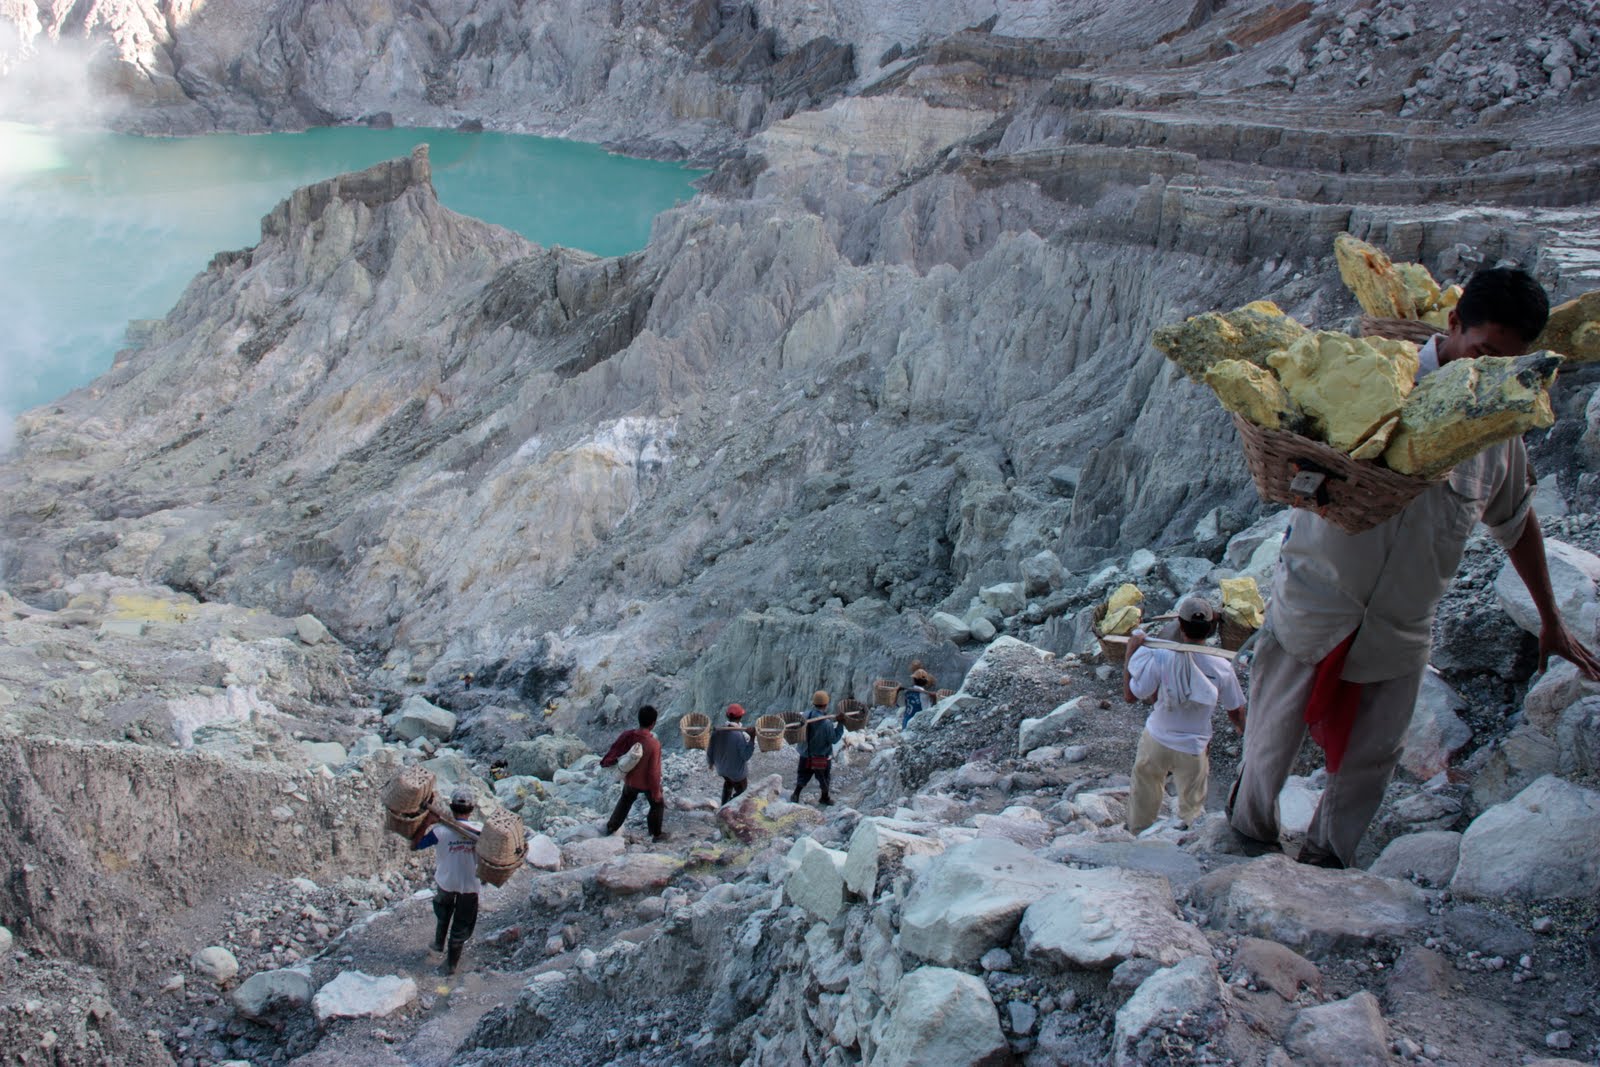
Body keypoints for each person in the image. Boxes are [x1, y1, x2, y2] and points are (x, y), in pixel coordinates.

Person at [1228, 266, 1600, 868]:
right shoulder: (1369, 376)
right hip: (1317, 598)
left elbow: (1516, 523)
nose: (1485, 373)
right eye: (1481, 352)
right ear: (1453, 325)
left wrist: (1551, 619)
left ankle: (1327, 862)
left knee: (1372, 756)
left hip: (1400, 623)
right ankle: (1247, 836)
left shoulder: (1497, 431)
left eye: (1504, 363)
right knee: (1272, 734)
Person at [1122, 596, 1245, 835]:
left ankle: (1138, 834)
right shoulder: (1221, 666)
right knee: (1192, 806)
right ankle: (1190, 840)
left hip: (1156, 739)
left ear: (1179, 624)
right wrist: (1246, 731)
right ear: (1211, 629)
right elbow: (1236, 710)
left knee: (1144, 792)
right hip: (1193, 746)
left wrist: (1130, 651)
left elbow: (1131, 695)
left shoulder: (1160, 656)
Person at [410, 785, 483, 974]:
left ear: (451, 807)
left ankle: (438, 944)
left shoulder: (440, 831)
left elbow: (415, 845)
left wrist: (427, 822)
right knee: (461, 926)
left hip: (446, 882)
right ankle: (451, 965)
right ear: (472, 809)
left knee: (443, 914)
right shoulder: (481, 832)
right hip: (469, 885)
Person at [600, 704, 666, 842]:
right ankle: (656, 834)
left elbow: (616, 750)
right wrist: (656, 792)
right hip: (646, 783)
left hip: (630, 780)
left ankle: (612, 827)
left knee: (625, 801)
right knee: (657, 804)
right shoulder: (654, 744)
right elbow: (654, 772)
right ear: (653, 723)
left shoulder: (629, 735)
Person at [791, 690, 845, 806]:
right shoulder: (826, 723)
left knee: (803, 775)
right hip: (821, 756)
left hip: (805, 754)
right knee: (824, 778)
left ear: (814, 703)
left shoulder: (806, 715)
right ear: (826, 704)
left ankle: (796, 794)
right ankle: (824, 797)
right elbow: (834, 739)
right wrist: (840, 724)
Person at [708, 703, 757, 804]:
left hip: (721, 769)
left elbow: (710, 750)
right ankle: (732, 806)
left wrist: (710, 763)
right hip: (736, 773)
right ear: (740, 717)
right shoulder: (739, 736)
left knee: (728, 782)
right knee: (742, 792)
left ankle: (724, 803)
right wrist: (752, 738)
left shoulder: (717, 731)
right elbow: (746, 756)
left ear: (727, 716)